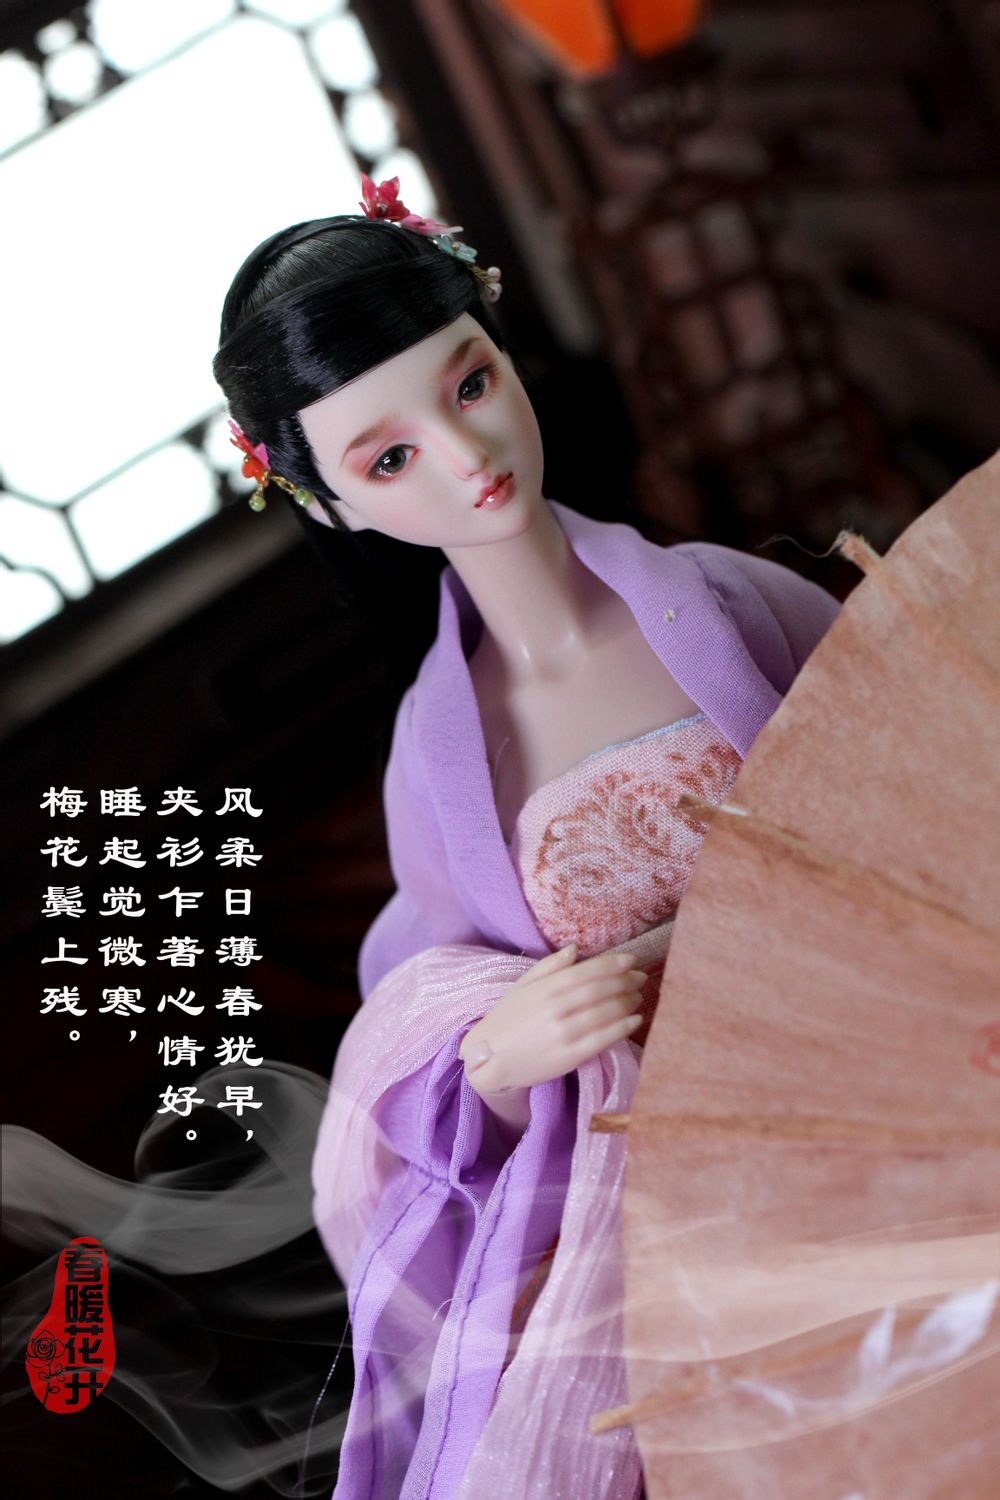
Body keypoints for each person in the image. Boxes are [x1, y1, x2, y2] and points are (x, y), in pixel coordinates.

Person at [213, 177, 840, 1499]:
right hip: (693, 1198)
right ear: (328, 505)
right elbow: (430, 1078)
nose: (465, 454)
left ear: (501, 346)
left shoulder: (732, 604)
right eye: (388, 459)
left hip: (889, 1052)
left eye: (470, 384)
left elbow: (927, 777)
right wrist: (502, 1057)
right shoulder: (440, 767)